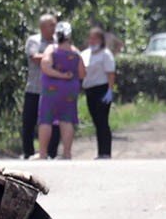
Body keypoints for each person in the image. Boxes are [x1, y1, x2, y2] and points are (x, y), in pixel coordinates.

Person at [38, 22, 85, 160]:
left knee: (46, 119)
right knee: (67, 119)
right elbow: (82, 73)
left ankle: (42, 153)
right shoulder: (76, 52)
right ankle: (67, 153)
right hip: (70, 90)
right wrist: (68, 76)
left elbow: (45, 66)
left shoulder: (51, 49)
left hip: (51, 90)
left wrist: (60, 75)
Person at [22, 14, 61, 159]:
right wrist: (53, 57)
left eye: (55, 25)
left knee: (54, 122)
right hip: (35, 88)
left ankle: (51, 153)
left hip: (53, 90)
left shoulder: (58, 42)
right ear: (42, 27)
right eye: (51, 25)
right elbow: (34, 57)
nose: (54, 28)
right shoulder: (34, 40)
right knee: (29, 122)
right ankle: (28, 152)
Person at [82, 25, 117, 159]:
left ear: (101, 40)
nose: (92, 41)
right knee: (96, 121)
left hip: (102, 89)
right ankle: (99, 151)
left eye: (95, 39)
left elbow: (110, 73)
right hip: (89, 89)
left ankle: (106, 151)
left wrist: (110, 90)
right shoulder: (85, 54)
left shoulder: (105, 54)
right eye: (90, 38)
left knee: (103, 121)